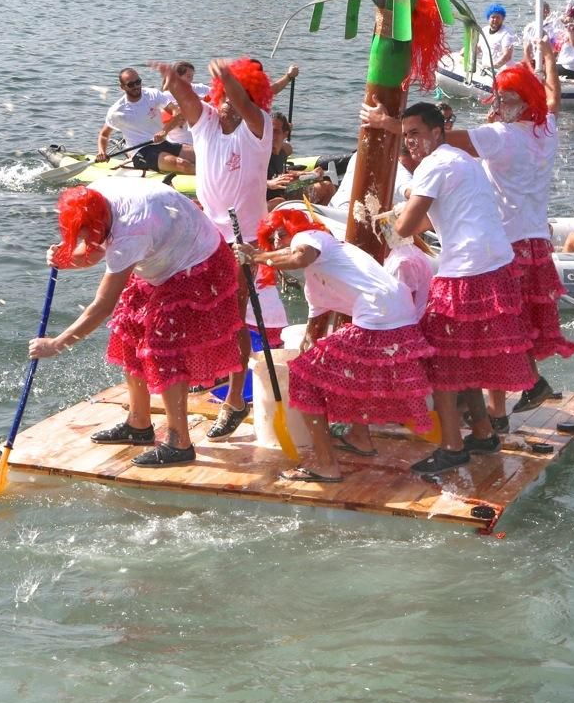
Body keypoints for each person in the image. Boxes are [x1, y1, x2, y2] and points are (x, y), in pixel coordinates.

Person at [384, 50, 574, 427]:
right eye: (499, 98)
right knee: (506, 329)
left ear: (526, 102)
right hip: (537, 240)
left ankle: (519, 395)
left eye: (509, 99)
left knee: (499, 330)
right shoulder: (546, 128)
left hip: (506, 243)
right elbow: (554, 97)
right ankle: (499, 411)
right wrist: (549, 63)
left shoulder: (500, 136)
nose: (501, 105)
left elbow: (439, 139)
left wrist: (386, 123)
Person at [27, 182, 245, 467]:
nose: (84, 240)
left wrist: (57, 344)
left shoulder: (131, 232)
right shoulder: (94, 195)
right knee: (128, 327)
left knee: (162, 344)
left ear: (99, 223)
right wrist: (66, 257)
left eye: (86, 235)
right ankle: (139, 425)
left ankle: (179, 443)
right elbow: (92, 252)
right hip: (163, 251)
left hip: (198, 262)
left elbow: (101, 307)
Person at [382, 101, 535, 474]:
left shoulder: (434, 165)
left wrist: (385, 217)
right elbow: (439, 212)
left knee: (442, 363)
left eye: (416, 134)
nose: (412, 143)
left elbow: (405, 229)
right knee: (462, 359)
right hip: (495, 265)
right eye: (407, 137)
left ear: (438, 132)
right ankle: (482, 432)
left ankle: (452, 447)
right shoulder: (462, 159)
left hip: (467, 272)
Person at [242, 209, 435, 483]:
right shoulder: (316, 282)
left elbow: (299, 257)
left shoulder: (313, 237)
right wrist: (306, 359)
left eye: (281, 235)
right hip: (396, 317)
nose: (278, 244)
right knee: (332, 372)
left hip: (381, 317)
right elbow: (312, 334)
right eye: (271, 240)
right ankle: (359, 437)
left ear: (296, 228)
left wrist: (258, 257)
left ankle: (326, 465)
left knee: (302, 377)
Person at [156, 57, 285, 437]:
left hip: (243, 239)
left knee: (234, 318)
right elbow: (186, 98)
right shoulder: (207, 122)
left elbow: (244, 104)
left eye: (237, 96)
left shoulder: (257, 128)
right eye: (224, 97)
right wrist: (171, 78)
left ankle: (234, 397)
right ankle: (202, 374)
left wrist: (230, 79)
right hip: (204, 236)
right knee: (194, 310)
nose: (227, 103)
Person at [97, 67, 174, 163]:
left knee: (194, 155)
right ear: (122, 87)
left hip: (162, 143)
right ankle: (131, 156)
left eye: (138, 82)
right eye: (131, 84)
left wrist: (164, 131)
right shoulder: (117, 110)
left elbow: (177, 112)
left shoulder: (153, 94)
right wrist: (102, 152)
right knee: (182, 164)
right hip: (140, 151)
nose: (136, 86)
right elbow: (104, 134)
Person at [476, 3, 515, 72]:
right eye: (493, 17)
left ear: (503, 19)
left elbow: (507, 56)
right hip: (486, 70)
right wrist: (465, 53)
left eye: (498, 17)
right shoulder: (484, 30)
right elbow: (479, 48)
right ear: (488, 18)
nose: (495, 20)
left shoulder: (507, 33)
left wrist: (493, 67)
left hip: (502, 71)